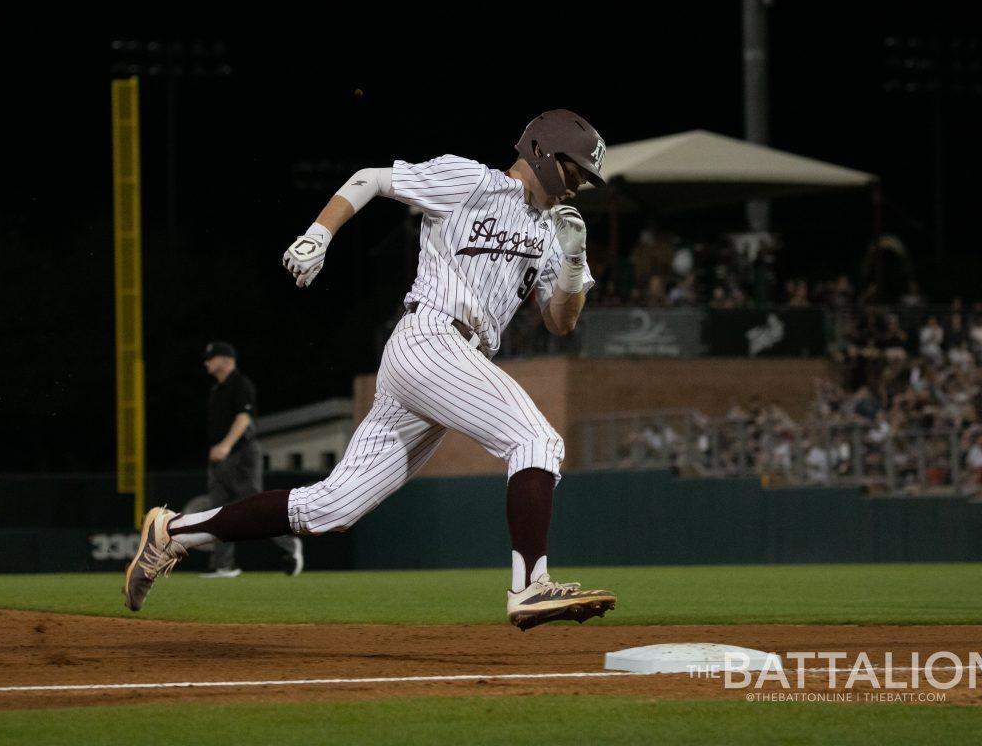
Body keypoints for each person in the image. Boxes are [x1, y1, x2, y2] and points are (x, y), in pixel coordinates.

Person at [123, 110, 616, 630]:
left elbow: (561, 323)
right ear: (541, 150)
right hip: (429, 337)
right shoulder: (472, 180)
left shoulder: (549, 233)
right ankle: (530, 587)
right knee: (536, 441)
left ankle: (175, 532)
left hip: (453, 363)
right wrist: (320, 233)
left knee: (331, 508)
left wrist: (573, 263)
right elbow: (371, 180)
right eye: (576, 170)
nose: (580, 184)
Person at [198, 340, 303, 579]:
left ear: (225, 360)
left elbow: (244, 419)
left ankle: (290, 545)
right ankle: (224, 565)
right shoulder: (217, 389)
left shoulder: (240, 384)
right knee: (218, 512)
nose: (206, 362)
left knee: (255, 510)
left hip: (241, 454)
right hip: (220, 460)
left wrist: (225, 446)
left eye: (210, 358)